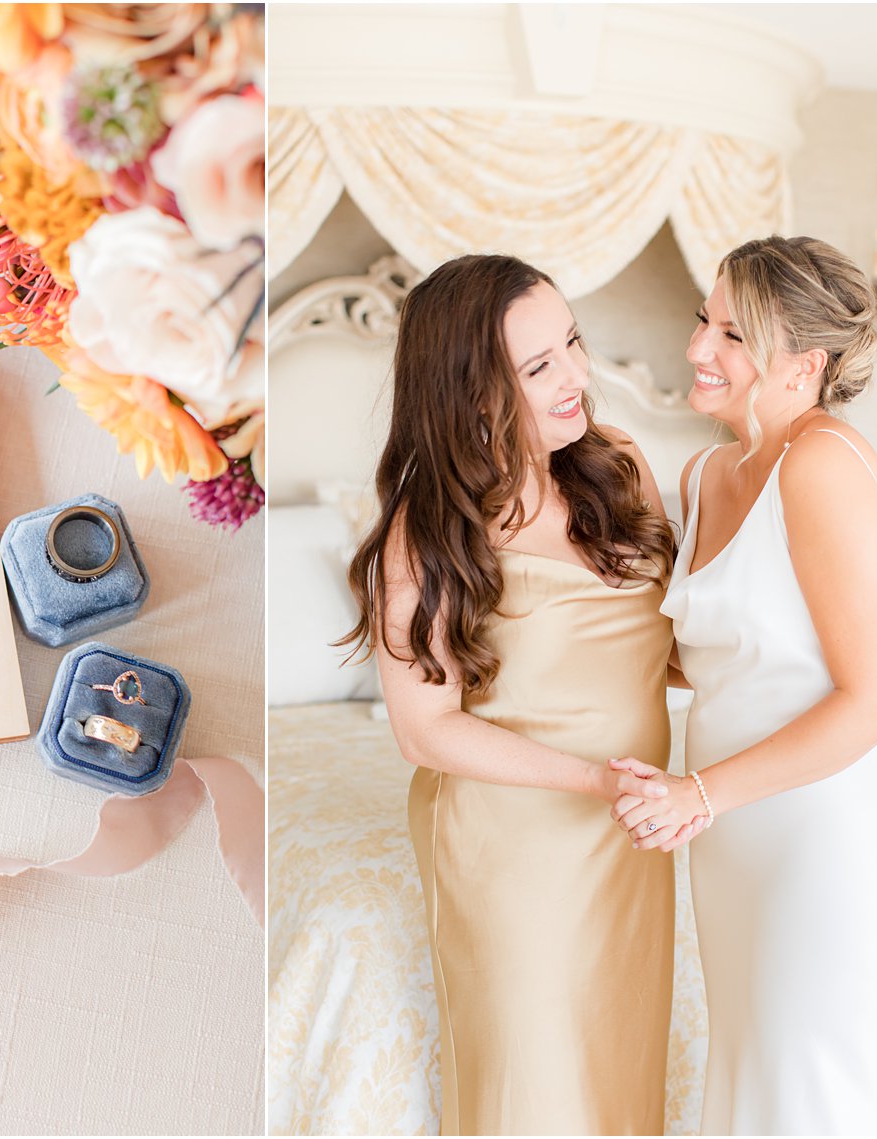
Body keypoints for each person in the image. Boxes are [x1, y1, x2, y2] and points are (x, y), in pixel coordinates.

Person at [609, 235, 877, 1134]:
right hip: (737, 845)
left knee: (823, 1095)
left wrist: (698, 792)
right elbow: (716, 654)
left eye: (732, 334)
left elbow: (875, 698)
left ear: (803, 365)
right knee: (762, 1086)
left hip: (832, 837)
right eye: (704, 319)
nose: (697, 348)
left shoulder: (824, 466)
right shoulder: (703, 473)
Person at [340, 253, 683, 1135]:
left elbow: (665, 644)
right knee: (534, 1080)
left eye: (573, 342)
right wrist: (600, 783)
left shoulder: (617, 467)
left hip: (637, 821)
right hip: (516, 838)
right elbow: (427, 732)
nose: (577, 376)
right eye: (539, 367)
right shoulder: (426, 538)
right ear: (473, 391)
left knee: (620, 1059)